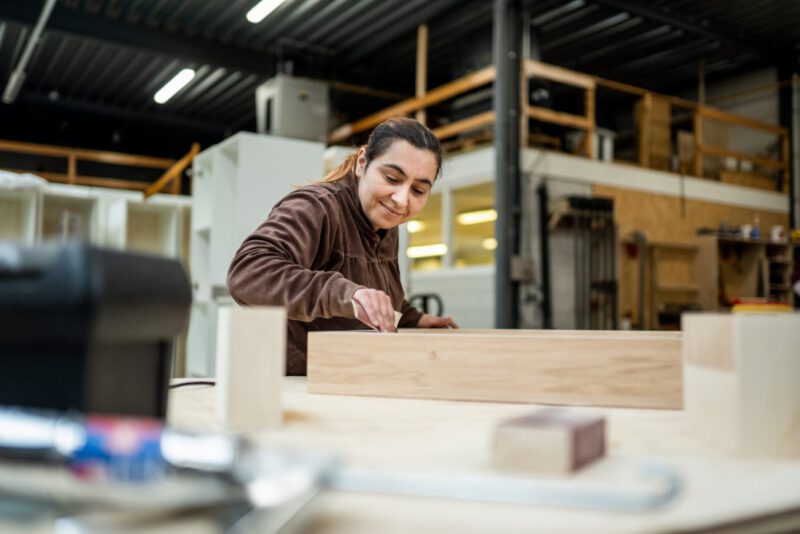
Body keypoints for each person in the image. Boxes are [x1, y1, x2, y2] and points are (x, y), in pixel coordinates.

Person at [227, 117, 458, 375]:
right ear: (362, 163)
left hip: (345, 377)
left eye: (417, 190)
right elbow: (247, 272)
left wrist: (414, 318)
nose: (401, 200)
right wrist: (344, 294)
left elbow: (373, 289)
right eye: (392, 178)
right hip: (294, 384)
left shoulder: (384, 223)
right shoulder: (317, 207)